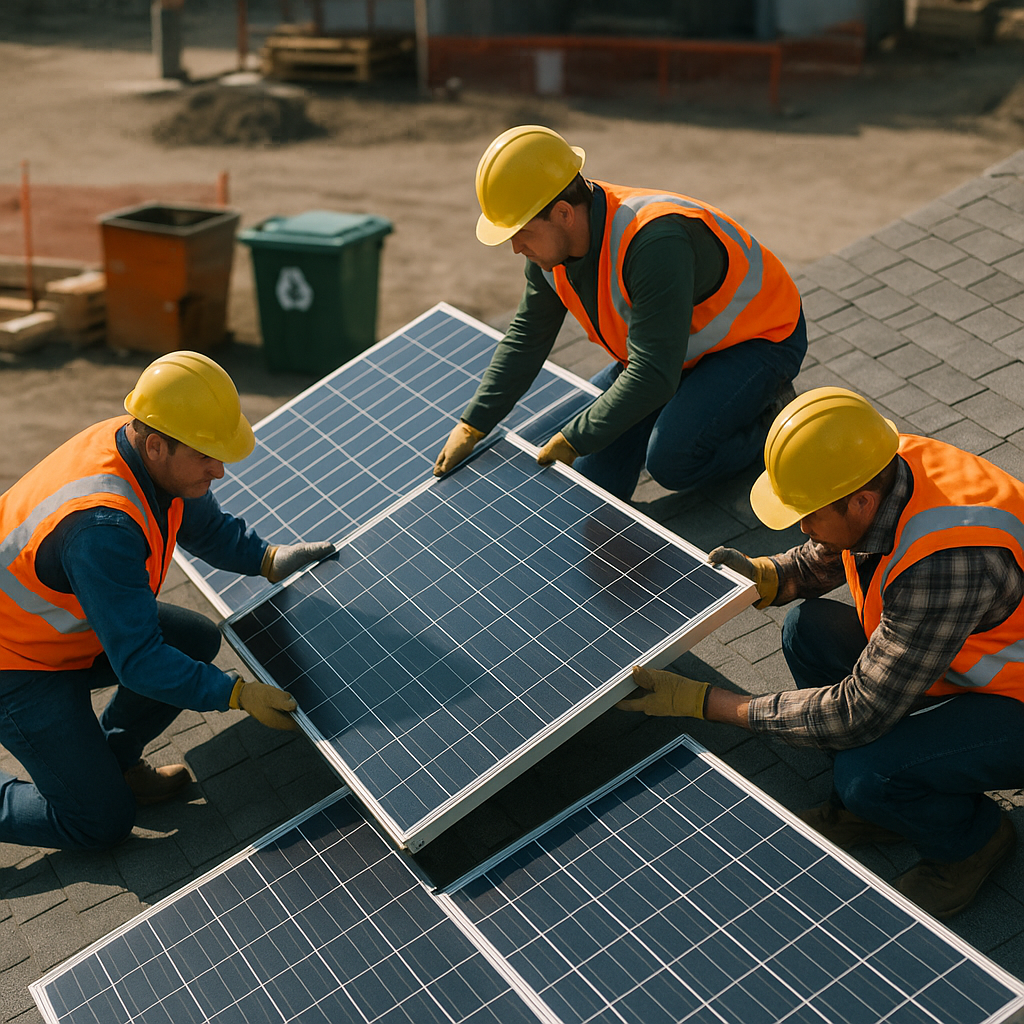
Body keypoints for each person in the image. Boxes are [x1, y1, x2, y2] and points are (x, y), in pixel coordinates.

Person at [617, 386, 1024, 920]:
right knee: (805, 628)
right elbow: (831, 549)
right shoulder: (877, 463)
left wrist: (713, 704)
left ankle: (972, 842)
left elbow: (857, 713)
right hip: (959, 658)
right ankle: (884, 810)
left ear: (859, 501)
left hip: (1012, 699)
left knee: (867, 773)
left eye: (807, 514)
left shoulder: (947, 561)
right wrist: (769, 576)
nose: (801, 526)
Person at [0, 351, 334, 852]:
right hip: (18, 665)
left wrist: (268, 558)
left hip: (66, 631)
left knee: (196, 638)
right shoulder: (102, 527)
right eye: (206, 456)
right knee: (100, 823)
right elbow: (139, 662)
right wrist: (236, 694)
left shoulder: (151, 444)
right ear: (157, 446)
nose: (219, 471)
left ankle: (114, 759)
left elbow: (207, 528)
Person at [434, 124, 807, 501]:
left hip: (760, 341)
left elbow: (653, 375)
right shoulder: (550, 254)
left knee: (672, 459)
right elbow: (527, 338)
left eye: (521, 232)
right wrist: (473, 424)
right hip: (674, 354)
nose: (515, 248)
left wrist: (575, 437)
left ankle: (772, 427)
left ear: (563, 213)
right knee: (594, 481)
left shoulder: (653, 242)